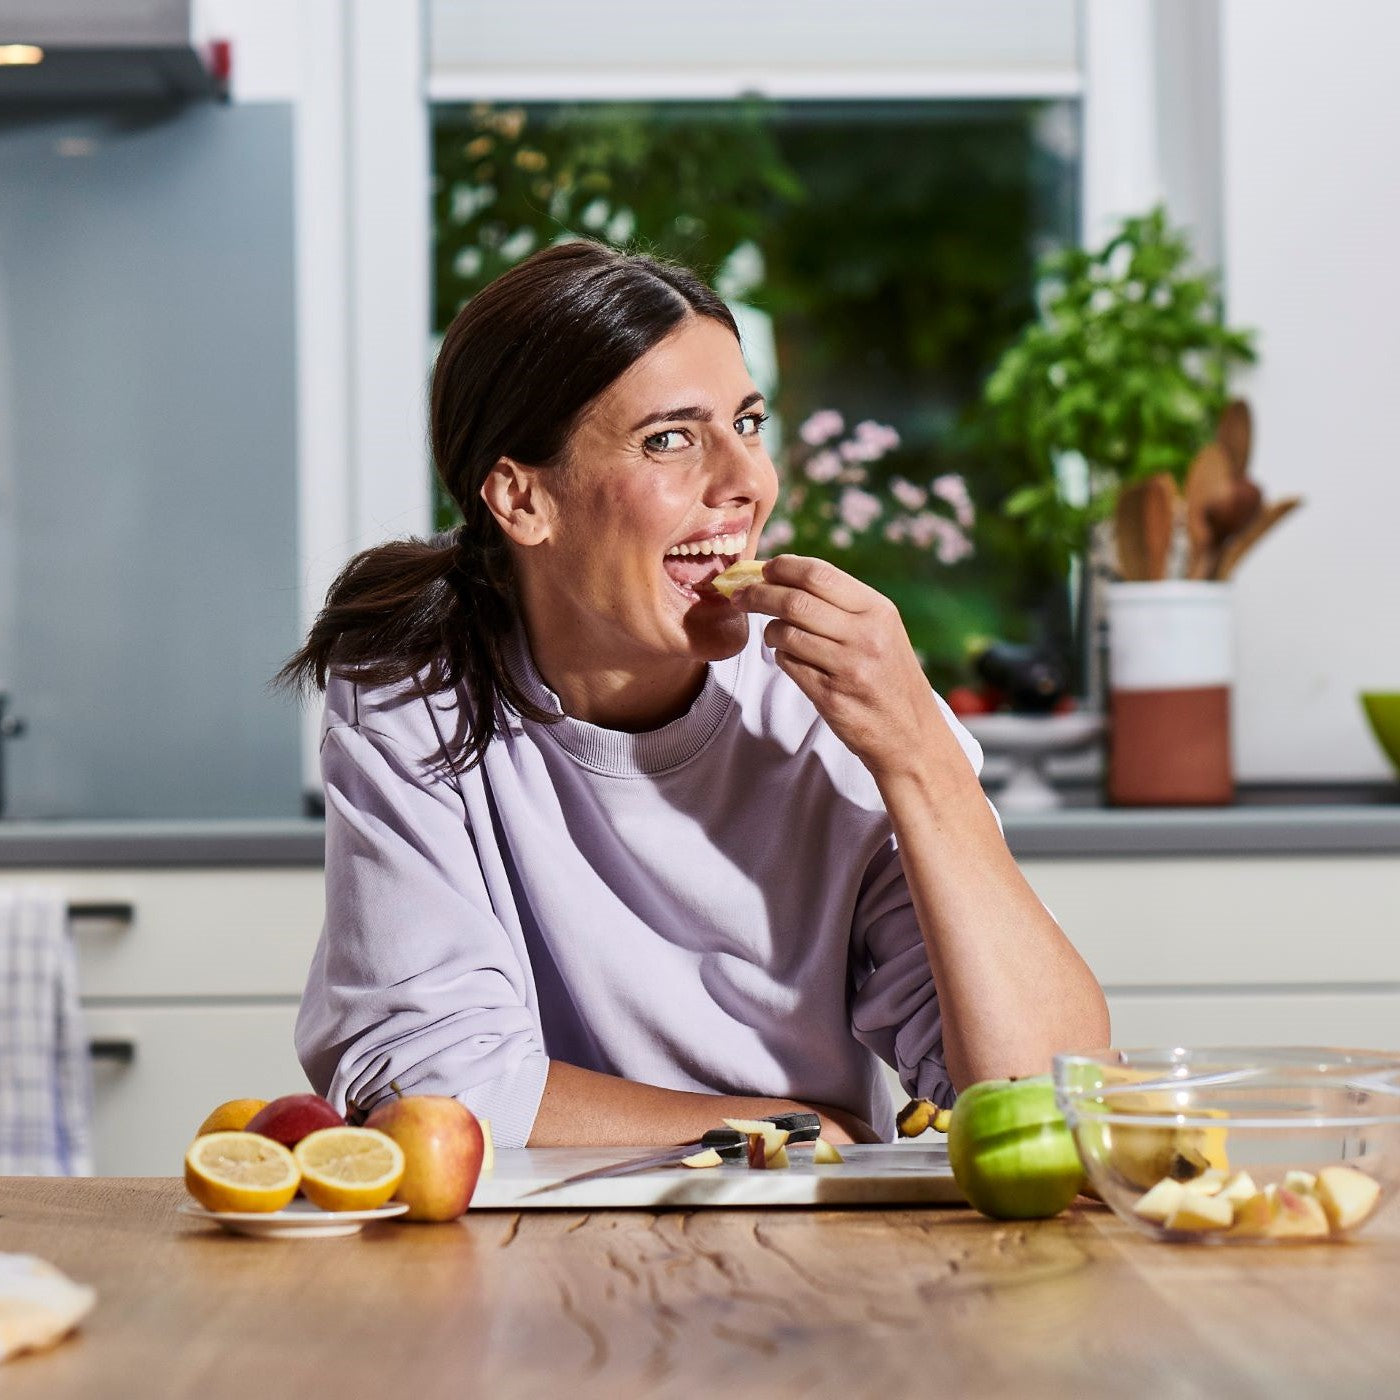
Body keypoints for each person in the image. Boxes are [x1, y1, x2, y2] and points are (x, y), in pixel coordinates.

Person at [279, 240, 1109, 1150]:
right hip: (521, 1264)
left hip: (810, 1260)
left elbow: (1053, 1102)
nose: (748, 482)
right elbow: (433, 1090)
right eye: (669, 439)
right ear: (522, 501)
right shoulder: (415, 699)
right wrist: (782, 1127)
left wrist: (925, 763)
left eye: (748, 424)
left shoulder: (831, 712)